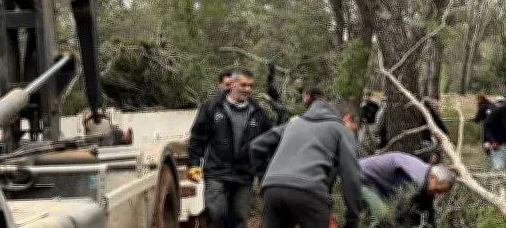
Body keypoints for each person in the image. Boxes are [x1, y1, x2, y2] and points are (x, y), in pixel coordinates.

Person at [249, 90, 361, 228]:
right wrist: (352, 218)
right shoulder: (341, 130)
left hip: (273, 191)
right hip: (309, 192)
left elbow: (256, 146)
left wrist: (265, 178)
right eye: (353, 129)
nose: (353, 133)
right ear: (347, 118)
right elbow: (351, 176)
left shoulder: (293, 124)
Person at [187, 69, 273, 228]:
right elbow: (198, 137)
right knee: (215, 213)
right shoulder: (213, 106)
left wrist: (265, 176)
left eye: (250, 86)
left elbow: (267, 146)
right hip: (216, 172)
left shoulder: (258, 113)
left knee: (240, 218)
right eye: (243, 85)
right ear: (232, 84)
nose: (247, 89)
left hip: (244, 175)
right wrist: (193, 164)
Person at [359, 152, 455, 228]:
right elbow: (399, 213)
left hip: (375, 184)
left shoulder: (426, 180)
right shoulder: (411, 179)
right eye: (438, 190)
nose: (437, 195)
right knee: (385, 215)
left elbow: (427, 216)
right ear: (432, 177)